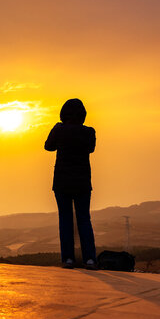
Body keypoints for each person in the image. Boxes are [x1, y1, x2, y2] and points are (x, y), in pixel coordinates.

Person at [45, 99, 97, 269]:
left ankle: (68, 259)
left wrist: (57, 128)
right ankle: (90, 259)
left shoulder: (59, 130)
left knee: (65, 220)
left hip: (62, 182)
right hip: (82, 182)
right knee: (84, 219)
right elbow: (91, 149)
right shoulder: (89, 132)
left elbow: (48, 146)